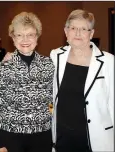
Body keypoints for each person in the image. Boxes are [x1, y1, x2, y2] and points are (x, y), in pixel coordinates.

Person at [50, 9, 114, 152]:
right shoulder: (55, 56)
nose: (78, 33)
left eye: (83, 29)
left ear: (91, 33)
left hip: (97, 142)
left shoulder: (108, 62)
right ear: (66, 31)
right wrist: (13, 57)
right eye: (73, 28)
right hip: (62, 140)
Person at [0, 12, 54, 152]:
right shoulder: (3, 67)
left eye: (30, 34)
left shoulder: (48, 65)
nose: (25, 39)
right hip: (11, 136)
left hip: (42, 136)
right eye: (19, 35)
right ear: (13, 38)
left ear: (37, 37)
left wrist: (49, 116)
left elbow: (52, 100)